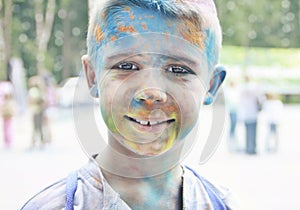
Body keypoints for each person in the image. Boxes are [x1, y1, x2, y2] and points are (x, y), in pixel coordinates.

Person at [21, 0, 239, 209]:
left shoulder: (223, 204)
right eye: (126, 66)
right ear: (92, 76)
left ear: (211, 85)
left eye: (179, 70)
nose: (150, 92)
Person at [238, 76, 264, 155]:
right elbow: (260, 98)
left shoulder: (241, 87)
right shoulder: (255, 87)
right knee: (253, 131)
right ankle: (252, 148)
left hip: (245, 113)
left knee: (247, 131)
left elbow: (239, 101)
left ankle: (247, 147)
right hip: (253, 112)